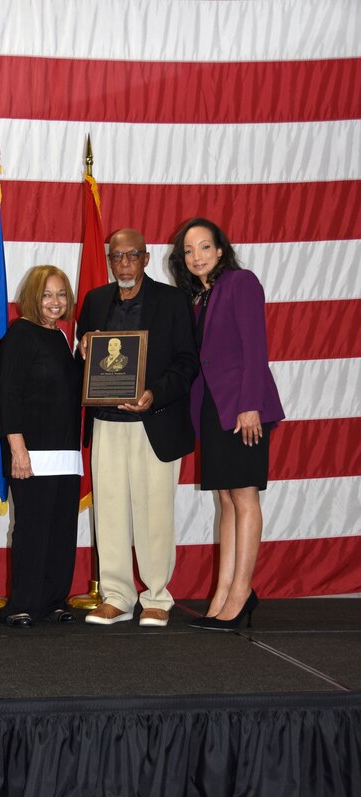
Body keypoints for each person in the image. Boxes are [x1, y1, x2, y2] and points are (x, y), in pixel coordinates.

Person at [77, 228, 199, 627]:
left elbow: (187, 363)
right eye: (117, 257)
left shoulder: (173, 301)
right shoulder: (95, 300)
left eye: (132, 256)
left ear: (146, 258)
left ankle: (157, 596)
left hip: (154, 421)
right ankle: (116, 596)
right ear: (110, 260)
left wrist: (153, 394)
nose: (124, 264)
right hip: (107, 422)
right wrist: (83, 348)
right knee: (109, 511)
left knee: (154, 513)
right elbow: (86, 358)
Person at [169, 217, 285, 631]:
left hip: (242, 408)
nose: (196, 255)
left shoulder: (241, 282)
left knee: (244, 495)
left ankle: (241, 593)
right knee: (225, 500)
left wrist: (250, 404)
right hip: (213, 409)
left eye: (204, 247)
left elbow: (257, 347)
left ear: (220, 250)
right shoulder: (197, 297)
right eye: (188, 250)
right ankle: (222, 594)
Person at [0, 266, 82, 628]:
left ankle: (53, 600)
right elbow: (8, 396)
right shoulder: (20, 334)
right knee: (32, 529)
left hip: (66, 452)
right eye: (47, 294)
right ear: (33, 296)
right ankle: (23, 603)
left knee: (62, 530)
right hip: (31, 453)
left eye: (61, 294)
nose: (55, 301)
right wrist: (17, 448)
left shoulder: (63, 339)